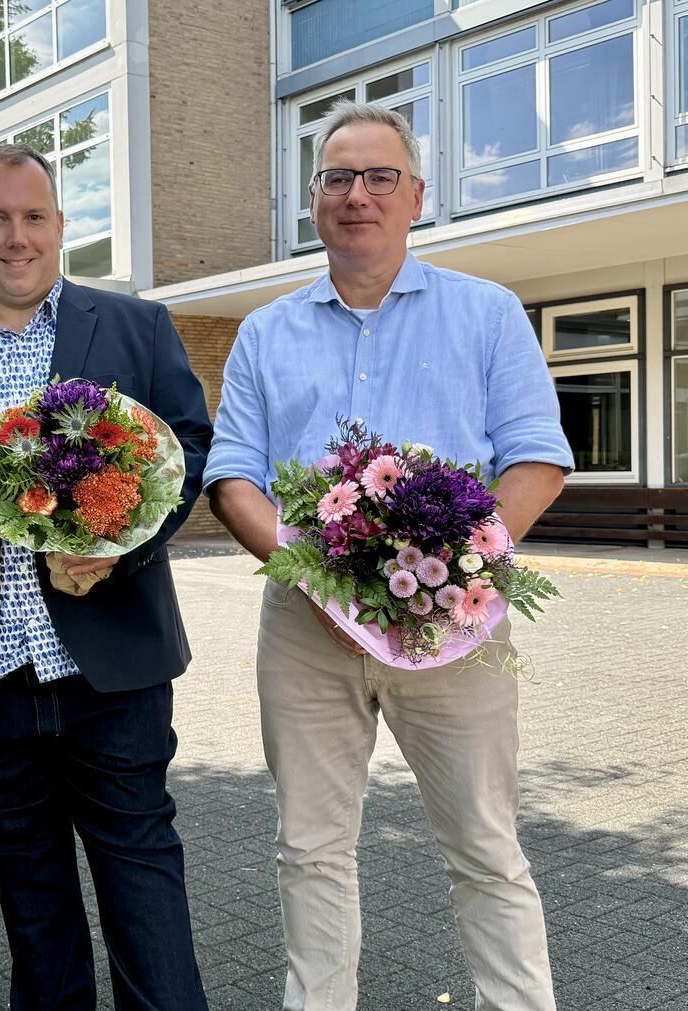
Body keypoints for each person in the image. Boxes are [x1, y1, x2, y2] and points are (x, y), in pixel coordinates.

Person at [204, 100, 573, 1011]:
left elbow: (537, 456)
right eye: (336, 178)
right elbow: (233, 475)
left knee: (486, 845)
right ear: (315, 201)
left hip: (455, 623)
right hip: (306, 629)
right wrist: (311, 575)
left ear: (416, 198)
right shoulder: (264, 333)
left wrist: (468, 567)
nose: (356, 195)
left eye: (378, 178)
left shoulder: (486, 314)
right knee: (310, 846)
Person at [0, 142, 212, 1010]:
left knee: (141, 879)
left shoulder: (135, 326)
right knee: (30, 893)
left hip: (113, 665)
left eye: (33, 217)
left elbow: (189, 452)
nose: (15, 237)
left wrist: (123, 543)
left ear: (60, 227)